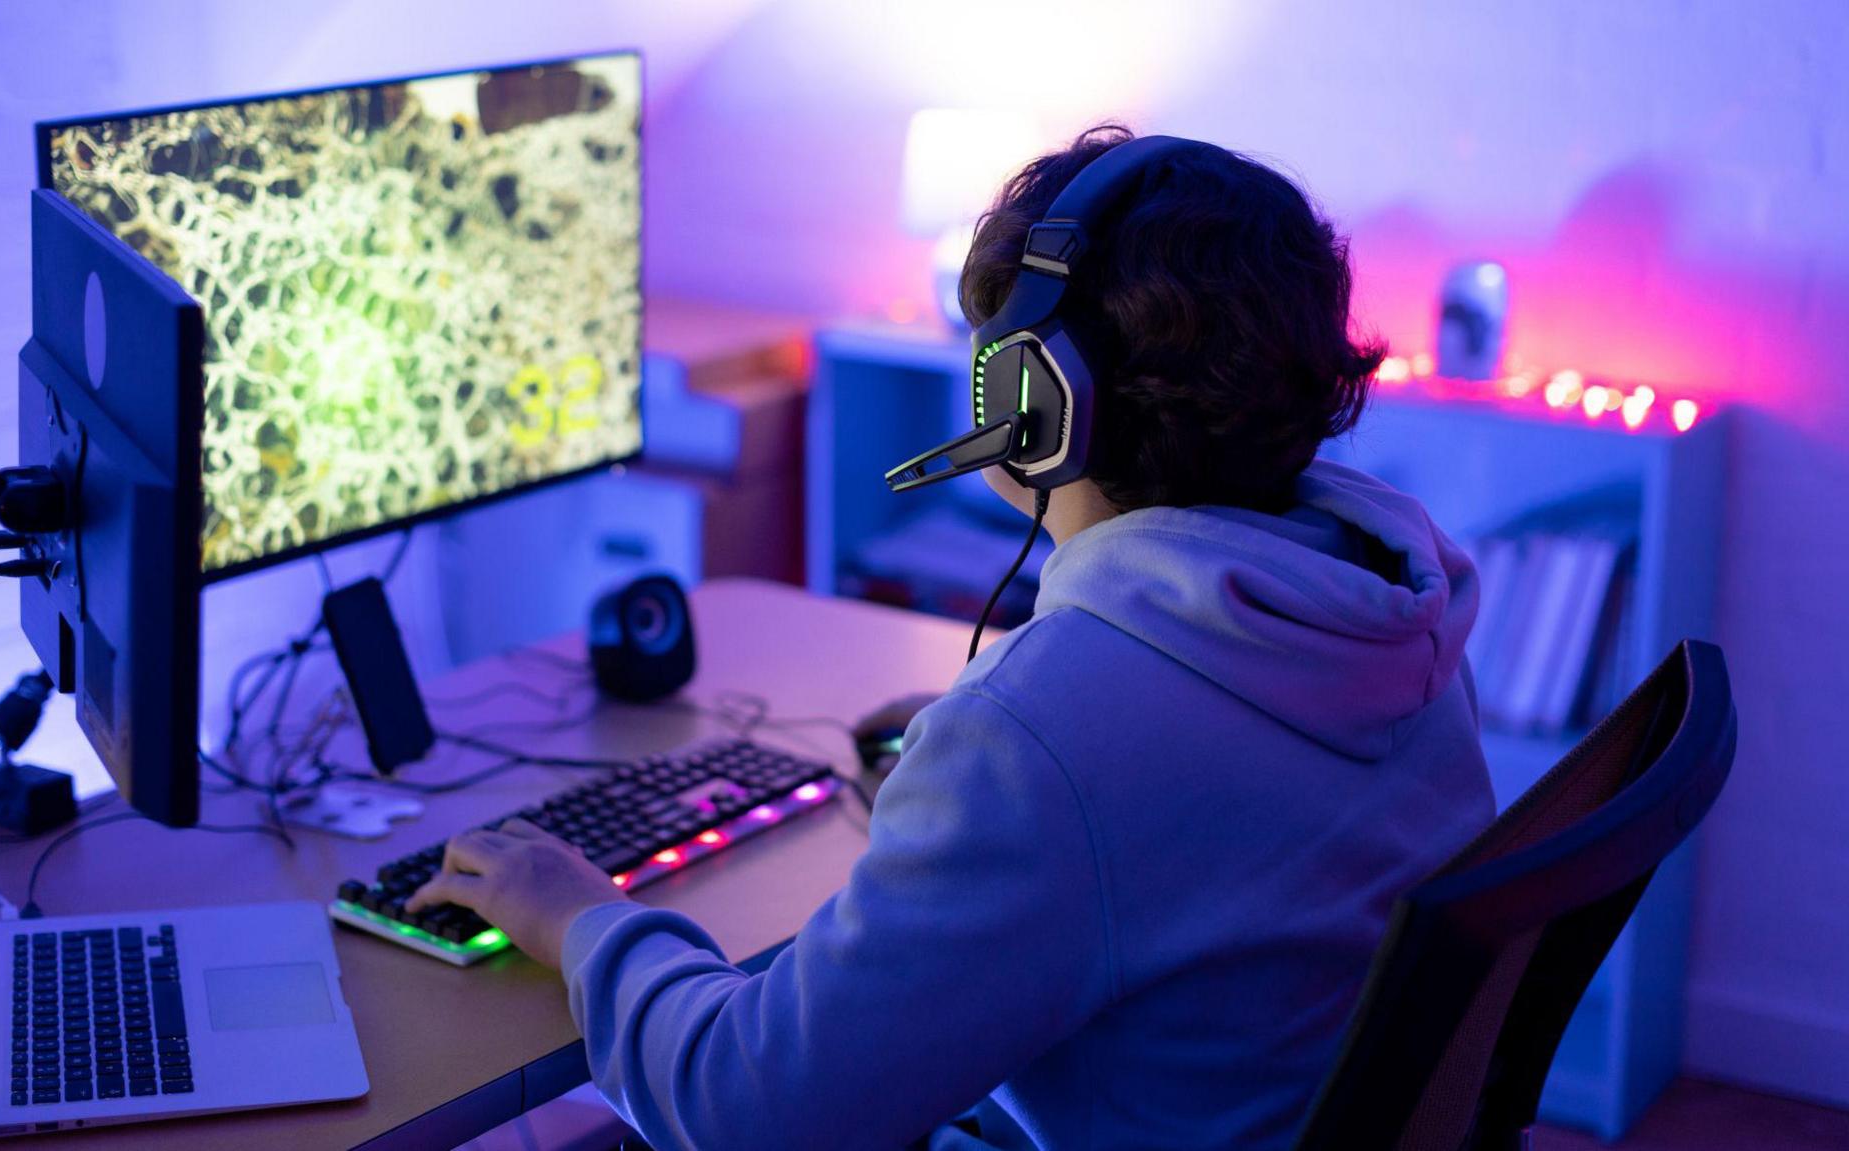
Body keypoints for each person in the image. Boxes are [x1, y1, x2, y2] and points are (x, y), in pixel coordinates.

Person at [407, 125, 1497, 1150]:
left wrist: (582, 915)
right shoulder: (1390, 609)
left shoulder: (1042, 738)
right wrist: (982, 797)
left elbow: (742, 1110)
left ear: (1035, 400)